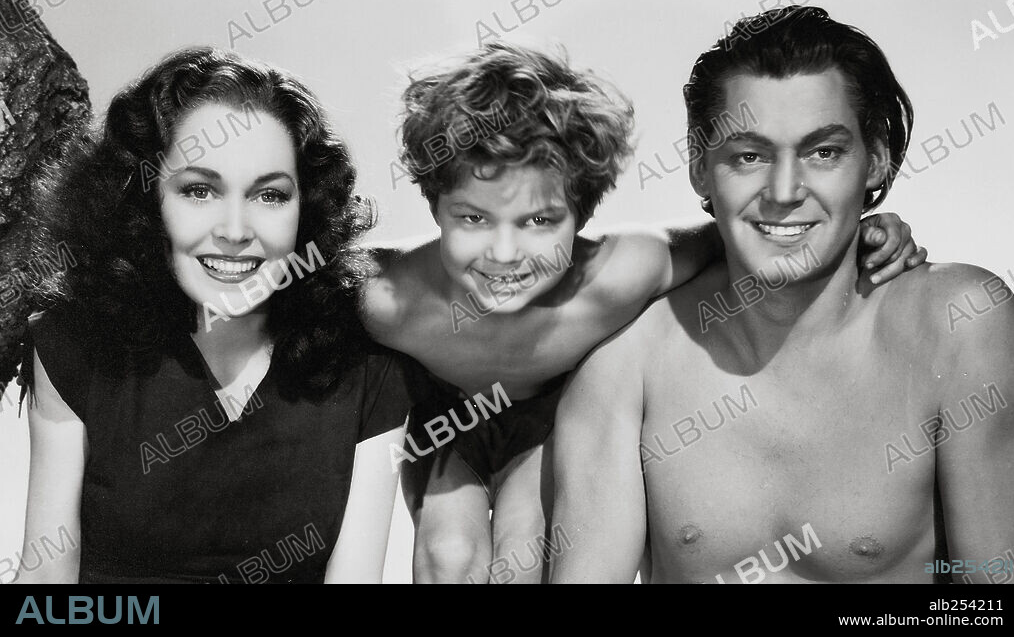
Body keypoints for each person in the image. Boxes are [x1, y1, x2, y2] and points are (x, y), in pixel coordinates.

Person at [363, 40, 928, 583]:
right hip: (446, 417)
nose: (505, 253)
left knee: (521, 559)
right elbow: (299, 279)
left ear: (582, 213)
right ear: (432, 202)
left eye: (539, 221)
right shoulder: (384, 298)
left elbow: (753, 234)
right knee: (449, 555)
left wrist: (861, 228)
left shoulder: (624, 272)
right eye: (473, 219)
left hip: (546, 421)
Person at [550, 6, 1014, 584]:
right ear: (701, 169)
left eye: (823, 152)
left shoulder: (960, 324)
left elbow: (991, 606)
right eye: (749, 155)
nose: (784, 191)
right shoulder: (627, 356)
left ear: (875, 160)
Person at [14, 47, 412, 584]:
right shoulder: (74, 343)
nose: (233, 229)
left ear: (306, 209)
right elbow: (45, 581)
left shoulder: (368, 362)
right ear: (148, 200)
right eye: (199, 190)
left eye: (270, 196)